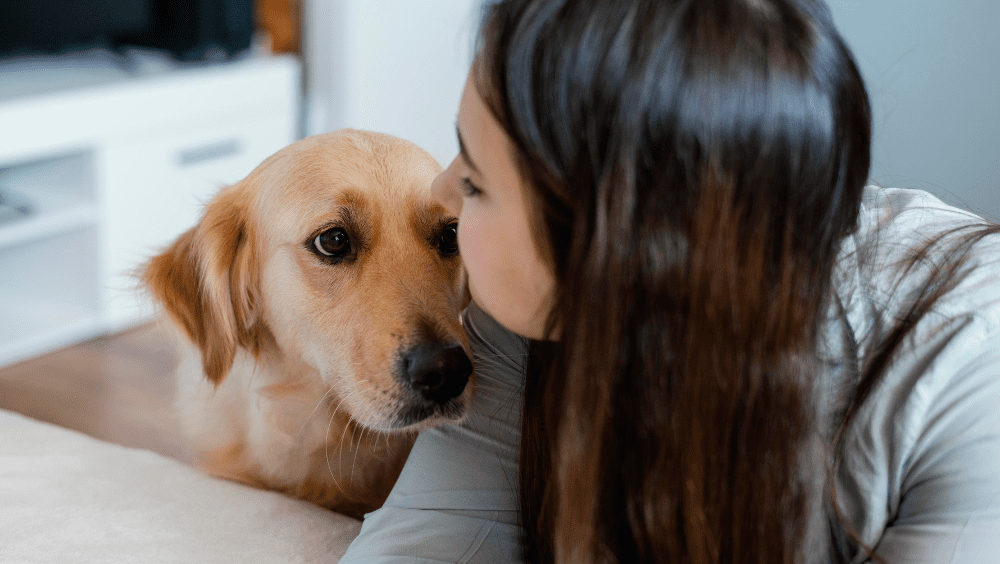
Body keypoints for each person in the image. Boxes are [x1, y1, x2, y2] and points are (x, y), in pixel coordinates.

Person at [340, 0, 1000, 562]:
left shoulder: (968, 377)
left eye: (477, 183)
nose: (441, 188)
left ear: (613, 252)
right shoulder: (522, 324)